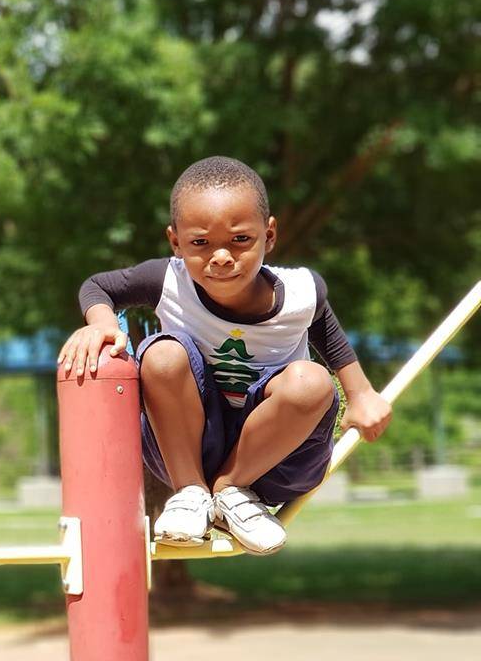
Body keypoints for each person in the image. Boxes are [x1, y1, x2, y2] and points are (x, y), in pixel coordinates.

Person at [59, 156, 392, 555]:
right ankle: (191, 494)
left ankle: (231, 489)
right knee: (162, 355)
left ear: (269, 236)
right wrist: (101, 324)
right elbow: (98, 287)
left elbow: (325, 331)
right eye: (200, 243)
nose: (221, 256)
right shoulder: (166, 280)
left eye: (240, 240)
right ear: (176, 242)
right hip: (187, 451)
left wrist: (360, 394)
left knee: (312, 381)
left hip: (277, 459)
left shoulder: (303, 293)